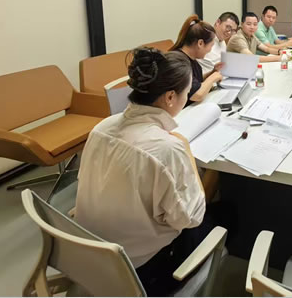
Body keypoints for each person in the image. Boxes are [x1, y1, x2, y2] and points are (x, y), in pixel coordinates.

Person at [75, 48, 211, 296]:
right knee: (225, 214)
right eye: (186, 92)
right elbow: (189, 219)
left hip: (89, 254)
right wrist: (187, 153)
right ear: (170, 97)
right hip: (139, 271)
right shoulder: (167, 148)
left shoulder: (101, 127)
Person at [170, 15, 223, 105]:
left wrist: (212, 72)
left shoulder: (191, 59)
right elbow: (196, 94)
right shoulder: (178, 62)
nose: (210, 50)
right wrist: (214, 77)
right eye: (211, 45)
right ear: (200, 43)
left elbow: (194, 81)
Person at [198, 12, 239, 76]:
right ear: (218, 22)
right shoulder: (205, 37)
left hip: (219, 77)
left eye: (233, 30)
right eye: (228, 27)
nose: (229, 32)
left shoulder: (222, 42)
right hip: (204, 79)